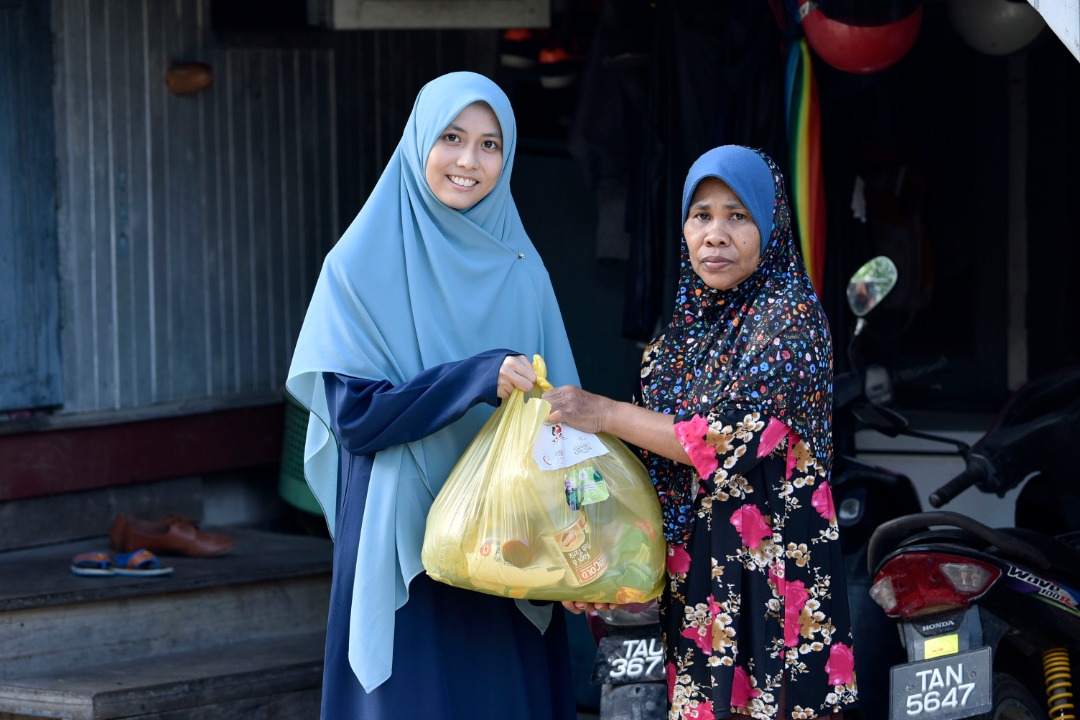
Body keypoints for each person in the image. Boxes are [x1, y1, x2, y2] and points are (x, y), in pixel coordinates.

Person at [286, 71, 580, 720]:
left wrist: (585, 525)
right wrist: (474, 377)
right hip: (406, 545)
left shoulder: (523, 272)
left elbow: (567, 421)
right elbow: (356, 419)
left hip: (509, 546)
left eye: (489, 144)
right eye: (451, 138)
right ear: (419, 140)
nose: (469, 162)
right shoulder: (357, 266)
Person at [546, 145, 857, 719]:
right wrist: (588, 553)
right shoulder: (675, 344)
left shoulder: (791, 320)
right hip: (699, 589)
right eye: (701, 214)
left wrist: (606, 412)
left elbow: (720, 439)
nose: (715, 233)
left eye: (738, 215)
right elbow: (638, 464)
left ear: (771, 224)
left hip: (776, 588)